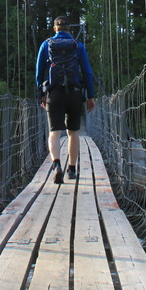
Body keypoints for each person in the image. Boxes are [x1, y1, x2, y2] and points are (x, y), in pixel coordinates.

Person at [35, 15, 96, 184]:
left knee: (54, 132)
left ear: (55, 29)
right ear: (69, 29)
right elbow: (87, 73)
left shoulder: (46, 45)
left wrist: (40, 94)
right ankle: (72, 169)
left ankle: (56, 165)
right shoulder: (78, 46)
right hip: (75, 94)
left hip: (54, 94)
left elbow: (39, 73)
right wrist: (90, 96)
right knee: (73, 133)